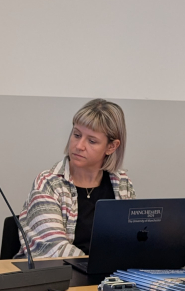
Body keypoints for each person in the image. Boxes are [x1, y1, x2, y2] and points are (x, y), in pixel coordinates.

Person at [15, 99, 134, 258]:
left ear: (111, 147)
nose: (79, 146)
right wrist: (98, 266)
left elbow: (130, 240)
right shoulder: (48, 183)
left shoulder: (122, 184)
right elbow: (54, 249)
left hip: (107, 271)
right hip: (63, 271)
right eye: (76, 135)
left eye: (92, 141)